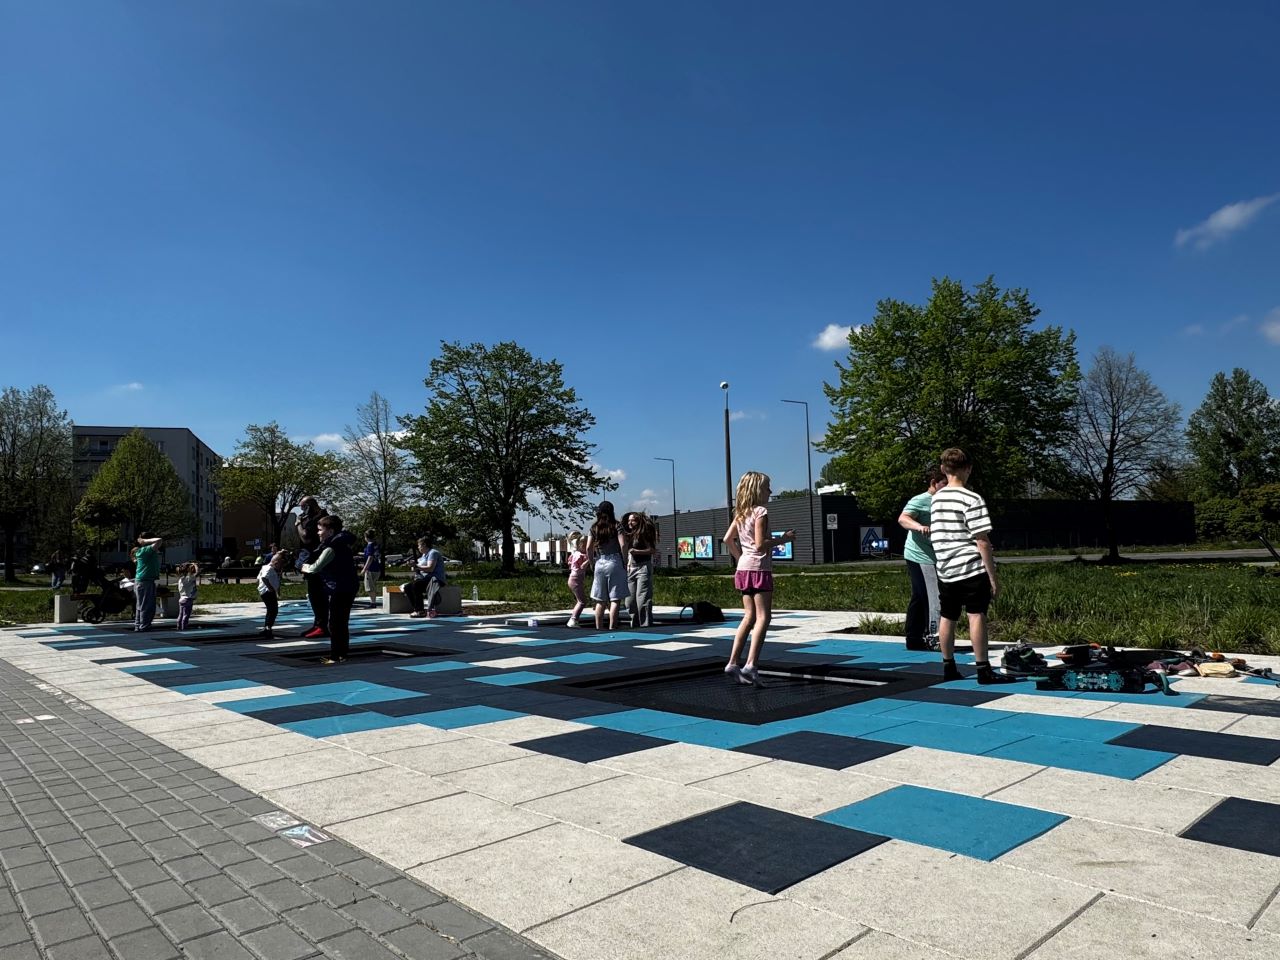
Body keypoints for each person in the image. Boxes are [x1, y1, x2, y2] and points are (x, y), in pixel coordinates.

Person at [931, 447, 1014, 685]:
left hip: (945, 568)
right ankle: (983, 669)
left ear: (943, 469)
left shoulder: (936, 500)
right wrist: (993, 577)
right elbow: (982, 541)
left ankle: (948, 666)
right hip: (970, 567)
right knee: (976, 615)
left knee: (948, 616)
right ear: (969, 469)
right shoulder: (972, 498)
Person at [722, 472, 793, 686]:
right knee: (763, 617)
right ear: (757, 490)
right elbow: (760, 544)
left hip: (743, 569)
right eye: (767, 487)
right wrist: (783, 539)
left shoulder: (741, 514)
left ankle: (733, 662)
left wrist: (740, 557)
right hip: (759, 569)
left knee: (748, 617)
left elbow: (728, 539)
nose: (770, 492)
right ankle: (751, 664)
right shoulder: (760, 511)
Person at [898, 466, 945, 651]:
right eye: (944, 484)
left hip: (936, 556)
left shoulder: (945, 501)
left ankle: (914, 639)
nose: (948, 488)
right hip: (919, 554)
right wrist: (919, 527)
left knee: (919, 595)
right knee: (932, 596)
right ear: (934, 483)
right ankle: (933, 637)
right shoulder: (920, 500)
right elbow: (903, 519)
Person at [301, 515, 358, 664]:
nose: (318, 533)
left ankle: (335, 656)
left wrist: (302, 566)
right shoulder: (341, 544)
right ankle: (341, 654)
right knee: (341, 622)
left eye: (320, 530)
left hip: (340, 588)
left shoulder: (331, 548)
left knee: (335, 623)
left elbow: (315, 568)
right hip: (348, 586)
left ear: (330, 531)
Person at [587, 501, 629, 630]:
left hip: (600, 561)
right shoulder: (617, 525)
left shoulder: (594, 527)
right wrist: (625, 560)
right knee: (615, 599)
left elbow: (588, 547)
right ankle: (612, 627)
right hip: (615, 561)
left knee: (600, 600)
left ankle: (599, 628)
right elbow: (623, 544)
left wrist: (591, 562)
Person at [295, 496, 330, 638]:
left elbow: (306, 537)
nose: (302, 510)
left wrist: (298, 523)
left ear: (310, 506)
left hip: (316, 559)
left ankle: (321, 625)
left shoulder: (318, 519)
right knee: (314, 594)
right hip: (312, 558)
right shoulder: (318, 517)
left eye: (303, 507)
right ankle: (318, 624)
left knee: (318, 594)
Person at [625, 512, 658, 627]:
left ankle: (645, 623)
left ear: (638, 522)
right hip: (631, 568)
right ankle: (634, 622)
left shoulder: (643, 534)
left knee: (642, 597)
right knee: (629, 600)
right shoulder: (630, 535)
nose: (630, 522)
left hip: (643, 566)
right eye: (629, 520)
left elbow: (652, 550)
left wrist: (637, 551)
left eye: (632, 520)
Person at [405, 536, 446, 618]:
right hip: (425, 579)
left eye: (419, 545)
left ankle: (419, 611)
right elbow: (418, 568)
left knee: (416, 585)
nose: (418, 547)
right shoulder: (423, 556)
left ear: (424, 545)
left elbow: (430, 568)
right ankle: (418, 608)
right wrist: (413, 566)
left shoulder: (433, 553)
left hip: (435, 579)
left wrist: (416, 566)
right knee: (408, 587)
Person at [132, 533, 163, 632]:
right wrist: (144, 541)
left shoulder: (143, 552)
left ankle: (139, 626)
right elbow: (159, 540)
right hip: (145, 581)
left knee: (140, 605)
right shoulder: (145, 550)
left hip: (142, 581)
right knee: (147, 605)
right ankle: (144, 627)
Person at [256, 551, 285, 638]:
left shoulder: (265, 567)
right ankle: (268, 628)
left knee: (271, 610)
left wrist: (277, 591)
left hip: (265, 592)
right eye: (280, 565)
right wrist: (270, 587)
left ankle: (267, 627)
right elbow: (264, 578)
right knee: (273, 610)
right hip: (268, 592)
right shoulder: (269, 569)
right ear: (276, 563)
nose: (281, 568)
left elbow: (258, 579)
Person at [564, 532, 589, 627]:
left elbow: (570, 564)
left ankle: (574, 620)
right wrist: (590, 560)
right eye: (584, 545)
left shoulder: (575, 554)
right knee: (582, 601)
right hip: (575, 579)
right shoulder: (581, 555)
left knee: (581, 600)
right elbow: (582, 567)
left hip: (574, 579)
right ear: (579, 545)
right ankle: (573, 620)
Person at [360, 530, 383, 608]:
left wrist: (364, 568)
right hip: (377, 568)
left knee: (369, 587)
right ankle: (373, 601)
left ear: (366, 537)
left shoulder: (369, 545)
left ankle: (373, 603)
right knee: (372, 586)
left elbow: (370, 557)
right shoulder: (376, 545)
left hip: (370, 569)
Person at [176, 562, 199, 631]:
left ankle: (178, 626)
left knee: (180, 614)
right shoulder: (190, 578)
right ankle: (184, 627)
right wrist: (195, 565)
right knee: (186, 615)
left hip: (181, 599)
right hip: (188, 599)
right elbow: (197, 573)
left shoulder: (180, 580)